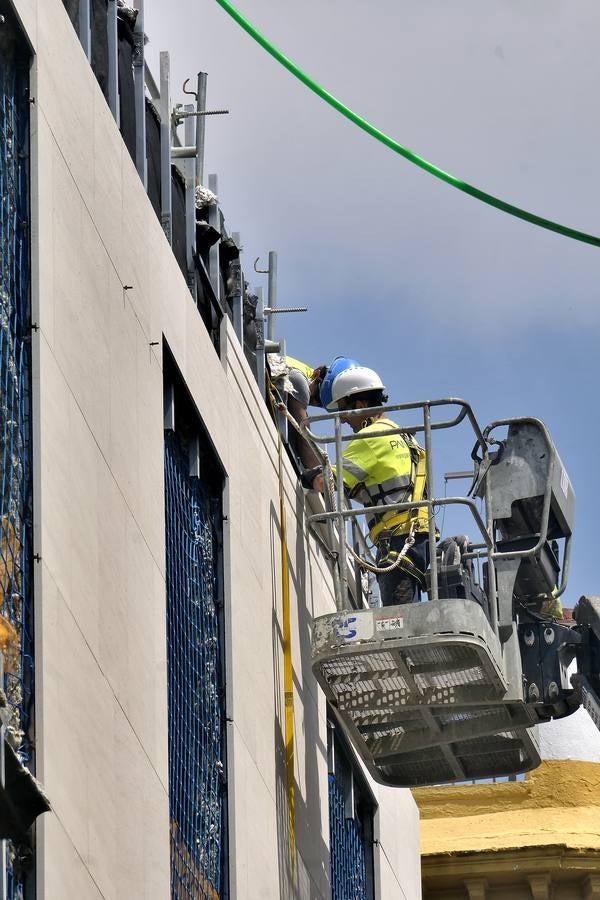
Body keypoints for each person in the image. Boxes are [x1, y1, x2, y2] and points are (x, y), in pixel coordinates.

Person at [305, 362, 430, 606]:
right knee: (408, 617)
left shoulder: (370, 437)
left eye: (344, 411)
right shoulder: (401, 434)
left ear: (360, 406)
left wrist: (306, 475)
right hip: (416, 536)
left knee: (399, 623)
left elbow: (326, 481)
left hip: (398, 537)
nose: (342, 422)